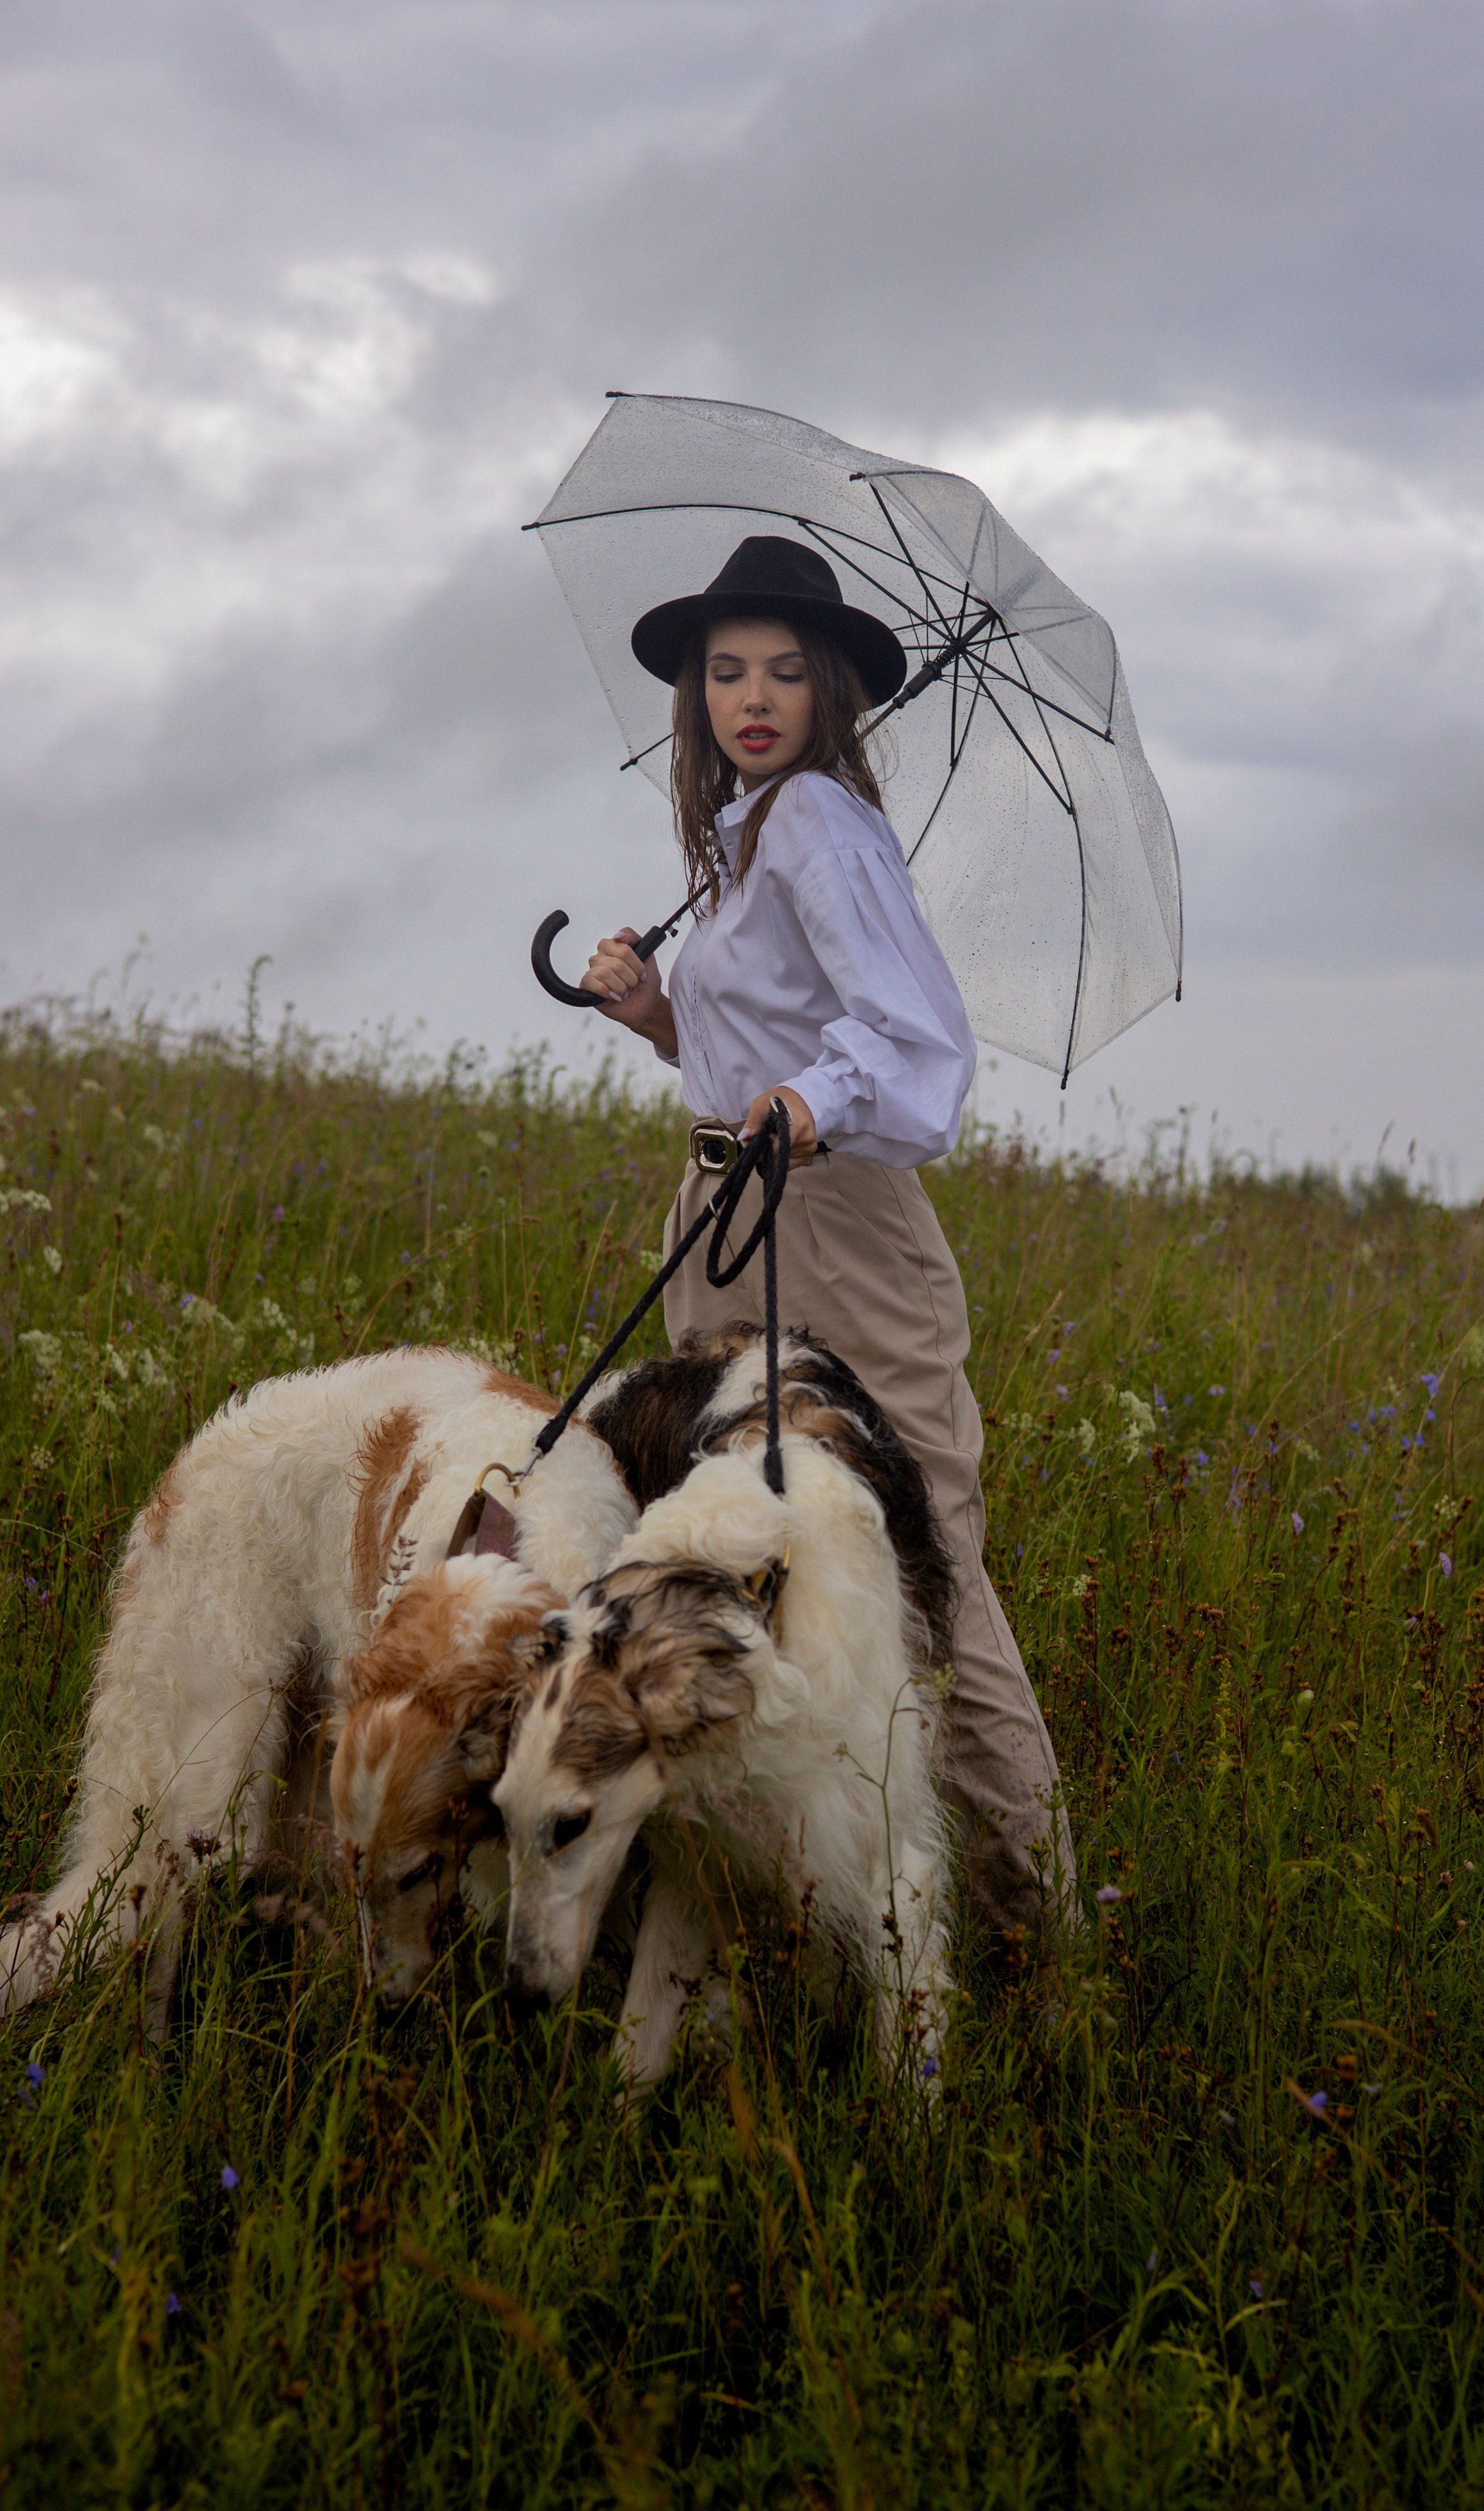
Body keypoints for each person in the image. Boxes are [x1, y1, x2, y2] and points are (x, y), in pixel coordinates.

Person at [580, 534, 1075, 1944]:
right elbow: (761, 1047)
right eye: (725, 670)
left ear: (829, 693)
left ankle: (1033, 1924)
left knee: (927, 1568)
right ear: (693, 693)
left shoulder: (815, 823)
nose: (752, 695)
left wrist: (812, 1096)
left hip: (836, 1228)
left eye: (785, 673)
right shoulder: (740, 835)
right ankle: (766, 1894)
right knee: (727, 1545)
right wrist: (657, 1017)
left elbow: (909, 1033)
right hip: (722, 1221)